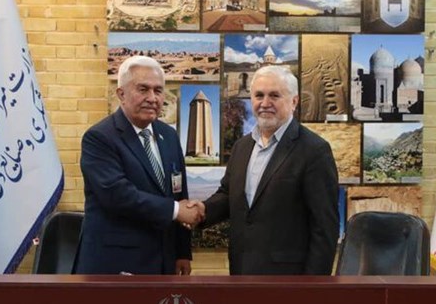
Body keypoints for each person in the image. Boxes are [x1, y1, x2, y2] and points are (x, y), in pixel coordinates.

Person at [193, 66, 339, 275]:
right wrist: (201, 211)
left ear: (294, 101)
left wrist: (313, 286)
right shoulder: (242, 147)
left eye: (274, 95)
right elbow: (228, 195)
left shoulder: (314, 150)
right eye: (259, 95)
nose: (265, 103)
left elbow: (324, 228)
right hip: (241, 271)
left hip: (289, 279)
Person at [75, 56, 201, 275]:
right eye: (143, 89)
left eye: (158, 90)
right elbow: (118, 195)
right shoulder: (99, 138)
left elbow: (179, 193)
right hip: (116, 265)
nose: (152, 98)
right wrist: (175, 210)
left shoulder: (169, 135)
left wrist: (182, 252)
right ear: (121, 94)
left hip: (164, 262)